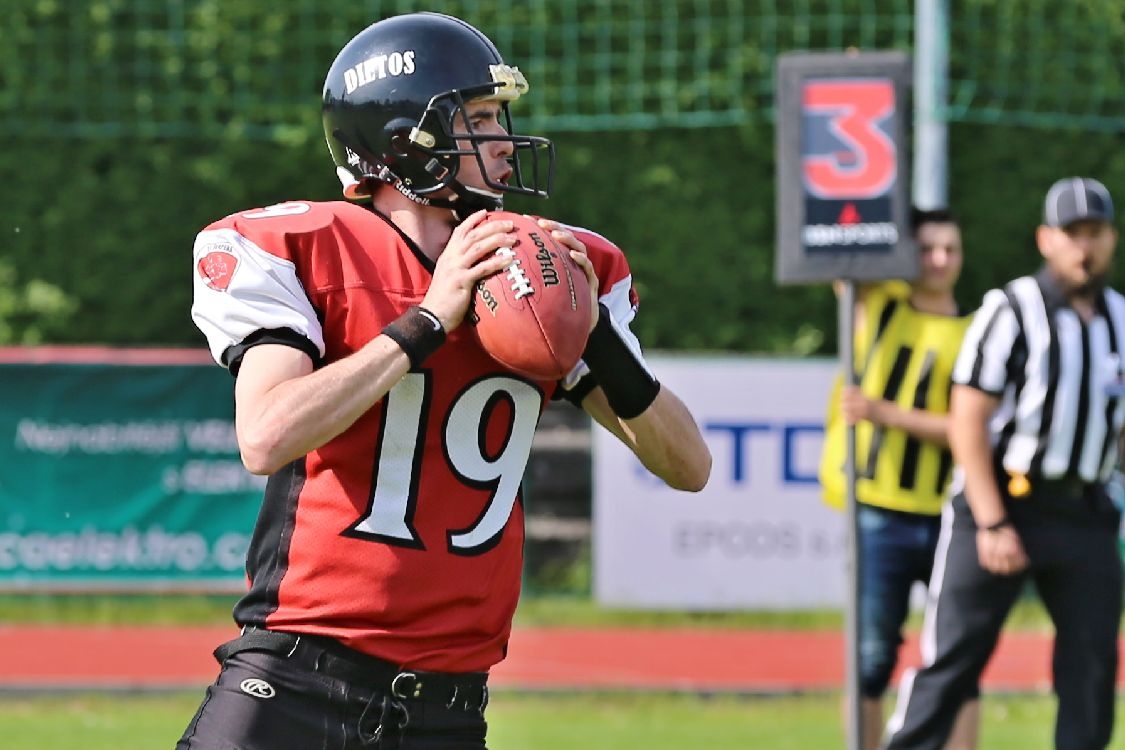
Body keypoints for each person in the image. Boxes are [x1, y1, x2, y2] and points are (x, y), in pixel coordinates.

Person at [177, 12, 711, 750]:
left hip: (449, 705)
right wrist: (427, 320)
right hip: (297, 679)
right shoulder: (308, 247)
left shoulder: (535, 275)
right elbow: (265, 436)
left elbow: (687, 467)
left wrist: (601, 343)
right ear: (405, 141)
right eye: (481, 119)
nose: (501, 141)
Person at [884, 177, 1125, 750]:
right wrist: (992, 521)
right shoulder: (1011, 309)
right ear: (1046, 239)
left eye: (1094, 233)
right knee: (951, 665)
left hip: (1085, 510)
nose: (1083, 247)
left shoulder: (1121, 319)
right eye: (1072, 234)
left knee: (1092, 671)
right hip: (1003, 501)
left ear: (1111, 239)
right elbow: (967, 418)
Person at [818, 208, 979, 750]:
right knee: (869, 659)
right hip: (876, 510)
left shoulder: (976, 332)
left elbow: (968, 430)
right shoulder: (879, 305)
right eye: (927, 248)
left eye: (950, 250)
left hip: (949, 516)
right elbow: (843, 254)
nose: (938, 260)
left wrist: (884, 412)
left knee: (959, 658)